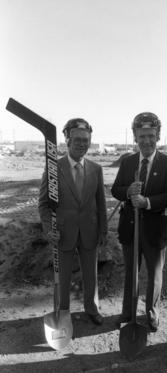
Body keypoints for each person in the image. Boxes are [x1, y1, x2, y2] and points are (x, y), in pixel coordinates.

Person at [111, 112, 167, 332]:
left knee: (154, 274)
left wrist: (147, 202)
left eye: (151, 135)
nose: (147, 140)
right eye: (142, 136)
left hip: (155, 230)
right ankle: (128, 311)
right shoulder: (128, 161)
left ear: (158, 136)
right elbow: (115, 190)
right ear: (135, 137)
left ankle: (152, 313)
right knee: (131, 272)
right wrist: (127, 191)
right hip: (130, 230)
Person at [39, 118, 107, 325]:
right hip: (63, 233)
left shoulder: (96, 169)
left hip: (90, 231)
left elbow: (100, 203)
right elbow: (43, 204)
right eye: (77, 139)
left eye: (85, 140)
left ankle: (92, 308)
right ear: (67, 140)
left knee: (90, 276)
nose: (81, 144)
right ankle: (63, 311)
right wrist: (49, 229)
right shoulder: (53, 168)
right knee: (64, 277)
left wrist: (103, 231)